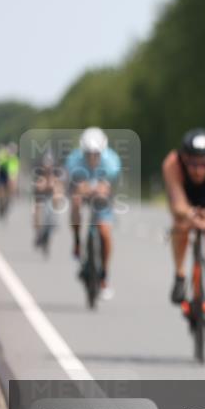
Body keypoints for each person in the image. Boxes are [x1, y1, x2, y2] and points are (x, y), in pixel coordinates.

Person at [162, 129, 205, 341]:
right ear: (184, 158)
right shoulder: (172, 163)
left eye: (203, 164)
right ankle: (180, 275)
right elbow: (177, 202)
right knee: (180, 227)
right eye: (193, 163)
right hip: (186, 205)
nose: (198, 170)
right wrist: (189, 214)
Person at [65, 128, 121, 299]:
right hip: (83, 192)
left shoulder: (111, 161)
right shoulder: (74, 160)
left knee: (104, 232)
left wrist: (97, 190)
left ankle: (104, 274)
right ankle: (77, 240)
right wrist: (84, 190)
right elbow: (77, 187)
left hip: (103, 195)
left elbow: (107, 188)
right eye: (88, 154)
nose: (92, 158)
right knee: (75, 202)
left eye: (96, 154)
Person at [32, 149, 62, 252]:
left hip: (51, 195)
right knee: (37, 210)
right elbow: (38, 187)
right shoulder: (38, 170)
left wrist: (57, 196)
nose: (48, 167)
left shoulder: (56, 171)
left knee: (56, 201)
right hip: (40, 195)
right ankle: (38, 232)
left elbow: (59, 187)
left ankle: (53, 223)